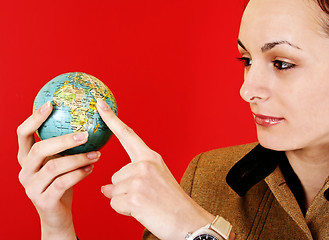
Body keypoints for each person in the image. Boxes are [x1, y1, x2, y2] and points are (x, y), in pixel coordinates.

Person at [17, 0, 329, 239]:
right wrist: (56, 223)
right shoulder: (206, 176)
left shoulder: (186, 208)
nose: (247, 89)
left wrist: (198, 230)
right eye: (246, 60)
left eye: (283, 63)